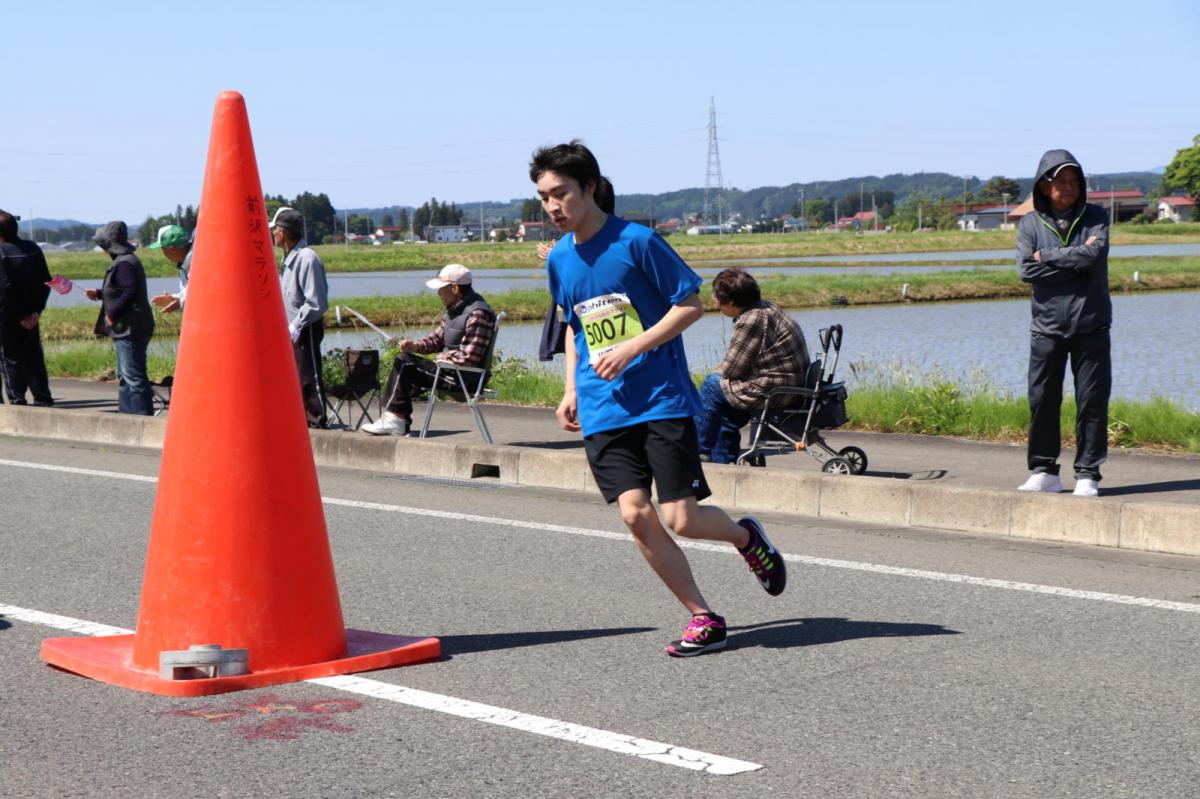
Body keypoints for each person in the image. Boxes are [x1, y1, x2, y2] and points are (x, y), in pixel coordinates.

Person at [531, 140, 786, 658]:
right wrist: (571, 388)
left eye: (560, 194)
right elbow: (573, 329)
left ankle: (746, 538)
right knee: (634, 514)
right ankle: (703, 617)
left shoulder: (638, 242)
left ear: (591, 188)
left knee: (682, 519)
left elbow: (689, 306)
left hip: (661, 400)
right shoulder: (559, 259)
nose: (552, 207)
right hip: (603, 405)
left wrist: (632, 348)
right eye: (543, 198)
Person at [1016, 149, 1112, 497]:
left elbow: (1095, 255)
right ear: (1044, 184)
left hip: (1091, 324)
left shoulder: (1096, 216)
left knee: (1092, 401)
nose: (1068, 187)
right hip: (1046, 327)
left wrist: (1050, 257)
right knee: (1041, 399)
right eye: (1061, 181)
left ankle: (1088, 473)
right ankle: (1044, 471)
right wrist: (1075, 261)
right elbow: (1027, 270)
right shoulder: (1029, 224)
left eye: (1075, 181)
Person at [361, 263, 497, 436]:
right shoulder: (455, 310)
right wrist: (415, 346)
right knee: (406, 358)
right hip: (450, 371)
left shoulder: (478, 314)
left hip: (464, 379)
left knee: (405, 363)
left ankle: (395, 420)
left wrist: (439, 358)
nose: (438, 293)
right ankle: (395, 418)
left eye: (441, 288)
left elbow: (468, 358)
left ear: (455, 288)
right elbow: (437, 339)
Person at [696, 268, 810, 464]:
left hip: (777, 389)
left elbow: (731, 369)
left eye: (717, 298)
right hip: (788, 383)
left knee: (712, 386)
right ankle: (723, 460)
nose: (715, 303)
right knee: (723, 405)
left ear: (731, 301)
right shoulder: (765, 307)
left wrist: (716, 375)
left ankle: (696, 449)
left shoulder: (751, 319)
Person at [86, 221, 155, 415]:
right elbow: (122, 289)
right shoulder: (125, 261)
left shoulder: (124, 262)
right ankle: (127, 419)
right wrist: (100, 294)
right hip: (129, 327)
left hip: (130, 327)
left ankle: (143, 420)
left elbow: (130, 292)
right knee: (124, 376)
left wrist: (111, 314)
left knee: (133, 376)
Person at [271, 206, 329, 429]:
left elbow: (316, 302)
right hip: (291, 328)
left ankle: (318, 420)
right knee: (295, 377)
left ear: (282, 232)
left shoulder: (307, 258)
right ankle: (302, 420)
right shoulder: (288, 259)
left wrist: (296, 325)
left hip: (306, 327)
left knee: (309, 377)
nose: (272, 234)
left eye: (274, 229)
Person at [0, 210, 54, 406]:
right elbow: (47, 281)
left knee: (10, 359)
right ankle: (43, 398)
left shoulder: (2, 252)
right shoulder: (32, 248)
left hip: (8, 317)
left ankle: (18, 402)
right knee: (34, 357)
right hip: (32, 315)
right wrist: (36, 312)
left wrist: (20, 315)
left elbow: (5, 290)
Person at [148, 224, 192, 314]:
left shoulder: (197, 263)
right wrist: (176, 299)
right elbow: (189, 293)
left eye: (163, 249)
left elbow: (203, 296)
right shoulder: (184, 263)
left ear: (172, 249)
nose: (163, 253)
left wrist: (179, 303)